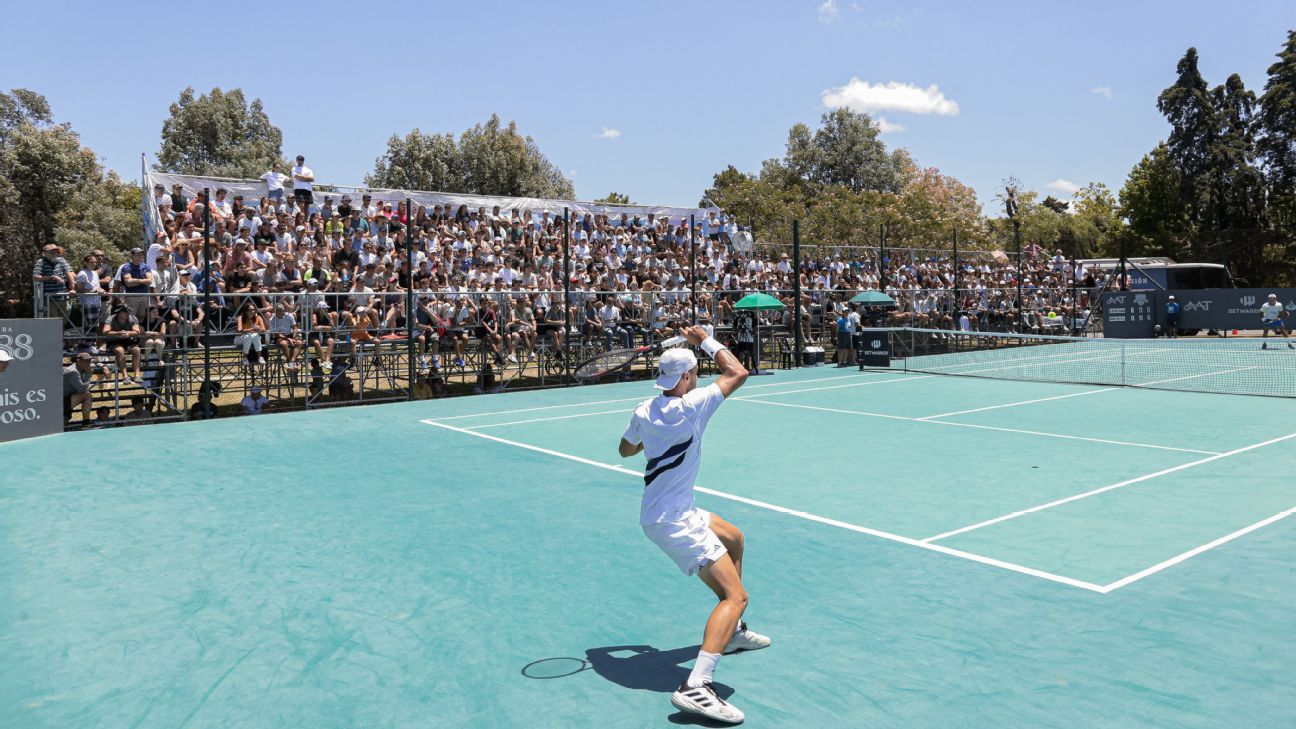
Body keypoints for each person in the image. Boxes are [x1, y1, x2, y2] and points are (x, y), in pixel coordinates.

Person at [617, 325, 769, 725]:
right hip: (675, 521)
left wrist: (654, 438)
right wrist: (706, 340)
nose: (698, 376)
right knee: (735, 597)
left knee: (734, 537)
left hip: (668, 510)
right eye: (694, 372)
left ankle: (732, 633)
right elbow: (737, 372)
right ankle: (697, 686)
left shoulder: (643, 411)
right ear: (685, 378)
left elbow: (625, 449)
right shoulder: (693, 405)